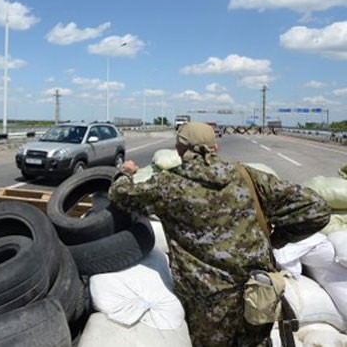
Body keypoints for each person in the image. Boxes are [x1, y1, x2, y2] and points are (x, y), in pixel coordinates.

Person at [108, 122, 330, 347]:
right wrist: (275, 239)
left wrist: (124, 172)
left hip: (208, 305)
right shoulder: (247, 176)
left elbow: (120, 195)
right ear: (214, 147)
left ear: (180, 149)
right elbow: (317, 208)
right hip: (256, 295)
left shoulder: (168, 185)